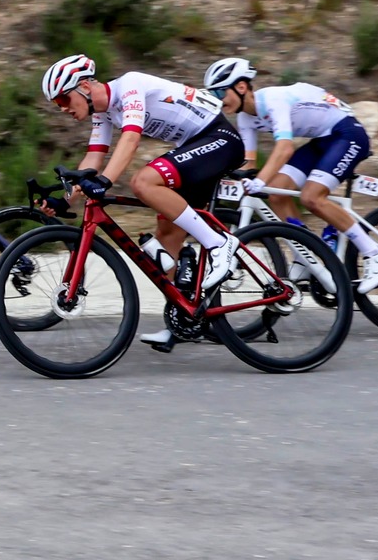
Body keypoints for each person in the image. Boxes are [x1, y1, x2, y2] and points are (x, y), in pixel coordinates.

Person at [40, 53, 244, 350]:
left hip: (219, 138)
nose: (62, 108)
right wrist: (64, 201)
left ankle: (219, 244)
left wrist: (105, 181)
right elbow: (93, 159)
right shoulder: (102, 113)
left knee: (143, 182)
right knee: (166, 238)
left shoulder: (130, 86)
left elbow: (131, 139)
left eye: (63, 99)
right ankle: (185, 320)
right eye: (57, 104)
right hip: (194, 146)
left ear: (83, 86)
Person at [204, 56, 378, 292]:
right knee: (277, 194)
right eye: (212, 95)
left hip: (347, 134)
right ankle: (305, 255)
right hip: (322, 140)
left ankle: (374, 252)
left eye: (220, 93)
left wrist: (260, 181)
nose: (217, 100)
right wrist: (227, 176)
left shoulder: (273, 100)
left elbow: (285, 148)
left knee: (312, 197)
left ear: (240, 87)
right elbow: (247, 164)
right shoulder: (245, 117)